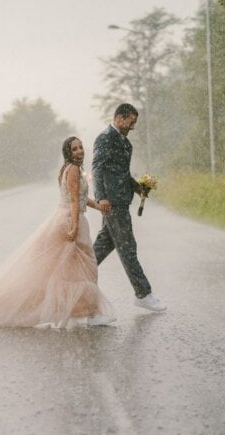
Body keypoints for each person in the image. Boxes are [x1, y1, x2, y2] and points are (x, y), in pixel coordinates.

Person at [0, 136, 116, 329]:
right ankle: (89, 313)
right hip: (70, 220)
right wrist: (75, 227)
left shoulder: (70, 169)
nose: (79, 152)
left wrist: (98, 207)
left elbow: (80, 199)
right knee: (83, 269)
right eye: (75, 149)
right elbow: (75, 201)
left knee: (71, 271)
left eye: (81, 148)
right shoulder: (74, 170)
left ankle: (84, 312)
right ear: (68, 153)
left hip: (67, 217)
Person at [93, 103, 167, 312]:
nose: (132, 127)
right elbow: (97, 168)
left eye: (134, 123)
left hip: (121, 200)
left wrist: (138, 188)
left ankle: (75, 277)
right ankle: (143, 293)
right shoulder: (105, 138)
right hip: (112, 203)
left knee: (103, 246)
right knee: (128, 248)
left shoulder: (125, 143)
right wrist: (101, 197)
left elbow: (122, 174)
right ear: (119, 118)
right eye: (131, 122)